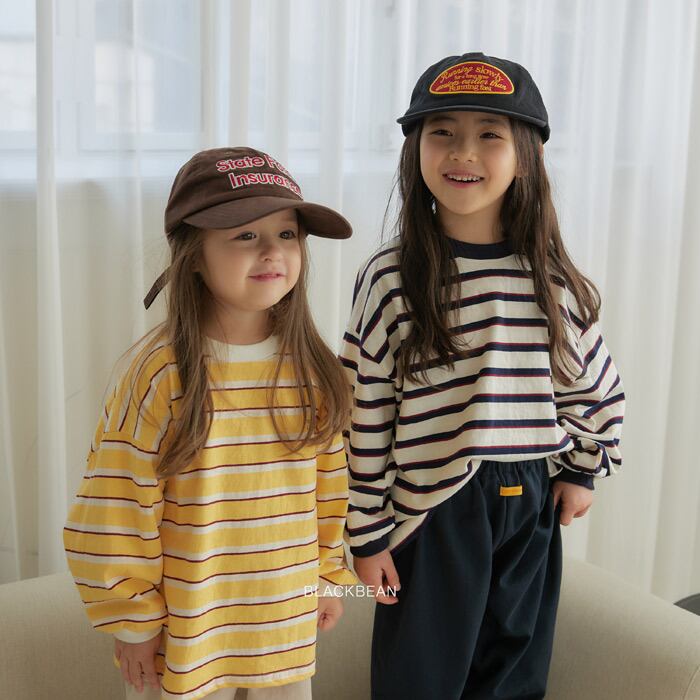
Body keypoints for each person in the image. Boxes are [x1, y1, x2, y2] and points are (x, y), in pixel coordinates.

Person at [340, 52, 626, 699]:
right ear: (415, 148)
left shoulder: (552, 278)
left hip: (530, 500)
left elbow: (592, 384)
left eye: (489, 134)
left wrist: (583, 468)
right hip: (431, 506)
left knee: (515, 672)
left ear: (528, 155)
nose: (462, 151)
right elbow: (365, 411)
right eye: (442, 132)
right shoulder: (391, 277)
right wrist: (367, 532)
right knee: (420, 678)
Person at [63, 147, 357, 700]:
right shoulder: (160, 375)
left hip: (282, 628)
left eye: (287, 234)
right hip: (185, 636)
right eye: (245, 234)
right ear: (194, 255)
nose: (272, 250)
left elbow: (329, 492)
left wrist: (327, 577)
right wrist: (133, 622)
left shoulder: (313, 370)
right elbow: (116, 505)